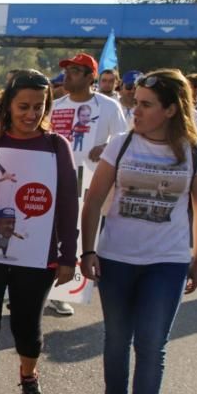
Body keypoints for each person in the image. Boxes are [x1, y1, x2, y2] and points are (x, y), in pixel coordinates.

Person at [80, 69, 197, 394]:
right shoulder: (120, 145)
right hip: (116, 257)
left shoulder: (195, 151)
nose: (133, 109)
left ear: (171, 109)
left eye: (145, 105)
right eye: (134, 101)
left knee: (153, 344)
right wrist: (88, 251)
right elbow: (93, 200)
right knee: (117, 337)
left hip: (167, 262)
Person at [0, 70, 78, 394]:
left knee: (27, 326)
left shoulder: (56, 146)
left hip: (38, 256)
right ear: (8, 105)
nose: (30, 114)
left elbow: (68, 205)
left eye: (38, 107)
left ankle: (28, 375)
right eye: (23, 106)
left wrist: (67, 254)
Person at [48, 52, 125, 316]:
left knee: (78, 235)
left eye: (75, 71)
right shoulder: (55, 106)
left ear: (90, 77)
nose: (67, 75)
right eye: (67, 70)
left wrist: (105, 146)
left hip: (90, 183)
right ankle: (37, 288)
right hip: (55, 180)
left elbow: (123, 140)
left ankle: (63, 293)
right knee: (48, 233)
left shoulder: (108, 107)